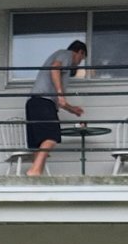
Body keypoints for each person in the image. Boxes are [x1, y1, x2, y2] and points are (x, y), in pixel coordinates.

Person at [24, 40, 89, 176]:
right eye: (80, 60)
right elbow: (55, 67)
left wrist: (72, 109)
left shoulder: (62, 59)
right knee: (51, 137)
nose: (77, 64)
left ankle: (36, 177)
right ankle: (34, 171)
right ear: (80, 52)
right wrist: (60, 93)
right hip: (43, 102)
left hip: (34, 102)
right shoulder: (66, 54)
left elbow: (60, 102)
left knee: (39, 143)